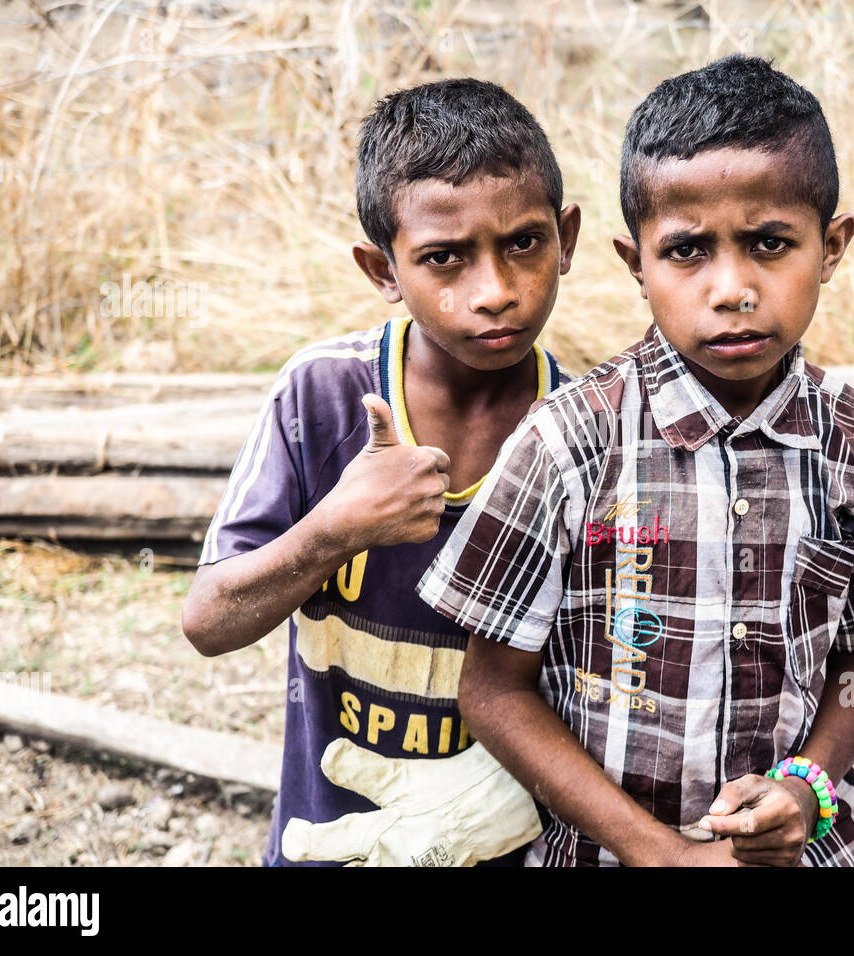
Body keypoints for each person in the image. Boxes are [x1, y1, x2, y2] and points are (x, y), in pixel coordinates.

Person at [417, 54, 854, 866]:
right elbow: (492, 693)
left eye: (771, 243)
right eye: (689, 251)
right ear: (637, 265)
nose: (732, 287)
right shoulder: (569, 443)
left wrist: (807, 786)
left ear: (832, 246)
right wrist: (659, 854)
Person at [181, 78, 581, 866]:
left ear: (566, 236)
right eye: (444, 258)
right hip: (336, 838)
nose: (495, 291)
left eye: (524, 243)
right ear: (382, 269)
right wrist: (337, 527)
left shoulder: (585, 431)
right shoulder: (323, 394)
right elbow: (209, 621)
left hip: (508, 842)